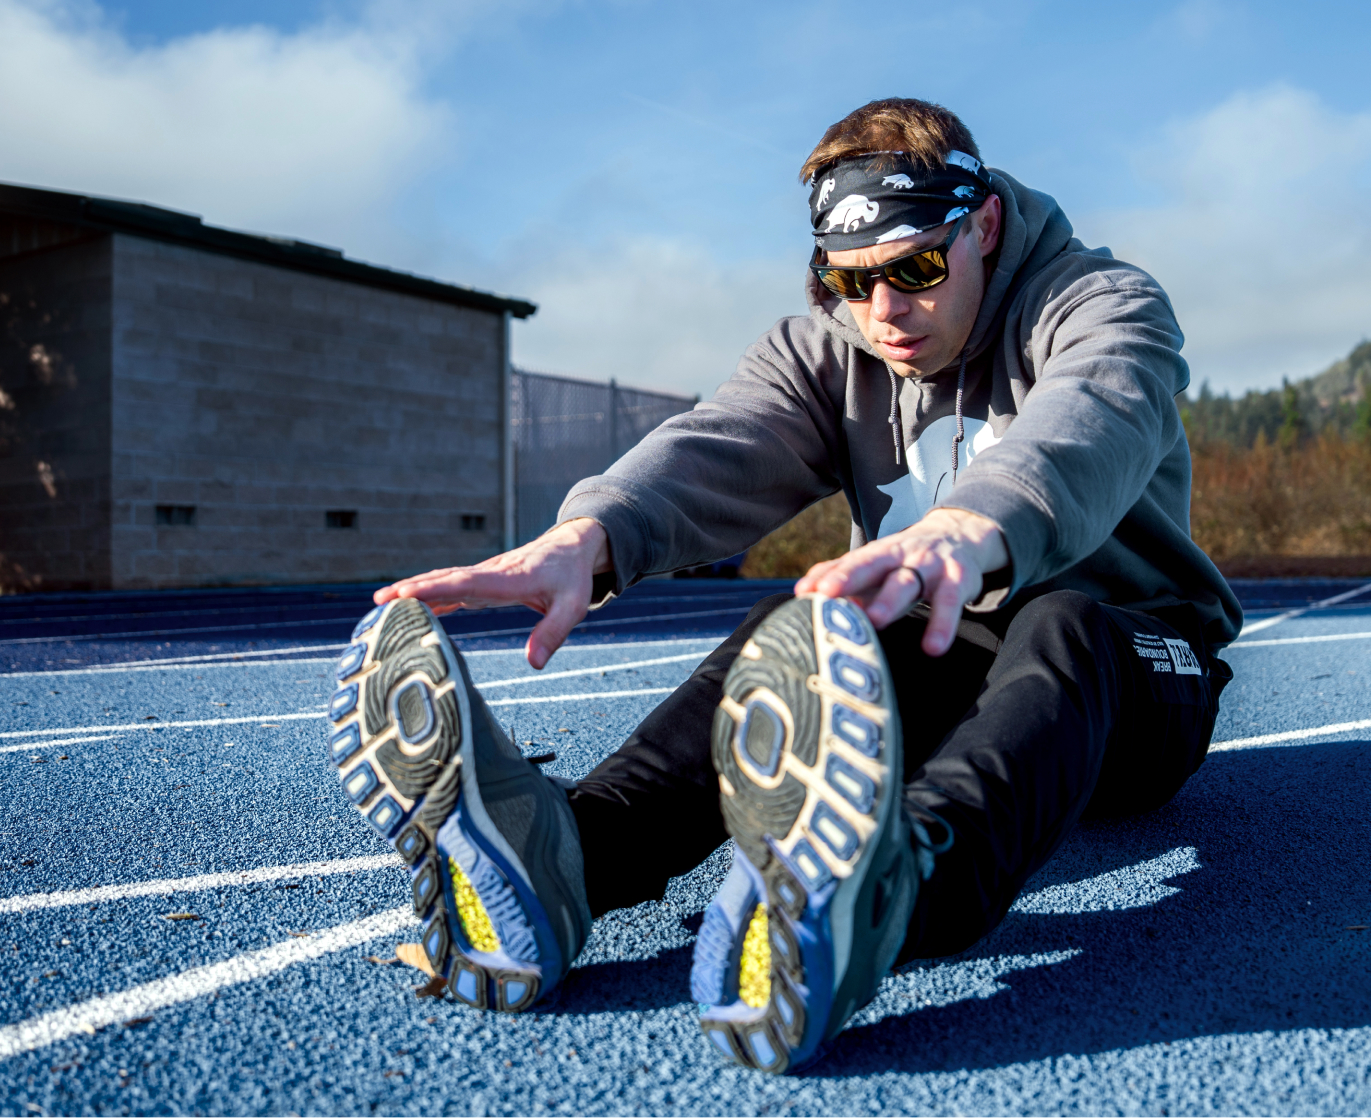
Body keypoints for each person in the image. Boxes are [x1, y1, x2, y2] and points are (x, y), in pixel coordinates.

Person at [323, 98, 1242, 1074]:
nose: (883, 309)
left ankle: (897, 888)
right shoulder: (828, 350)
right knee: (806, 623)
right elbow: (721, 443)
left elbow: (1090, 412)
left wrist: (972, 523)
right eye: (849, 280)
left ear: (982, 227)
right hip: (947, 642)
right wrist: (586, 538)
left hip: (1138, 667)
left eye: (916, 267)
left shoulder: (1101, 303)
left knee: (1064, 623)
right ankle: (569, 859)